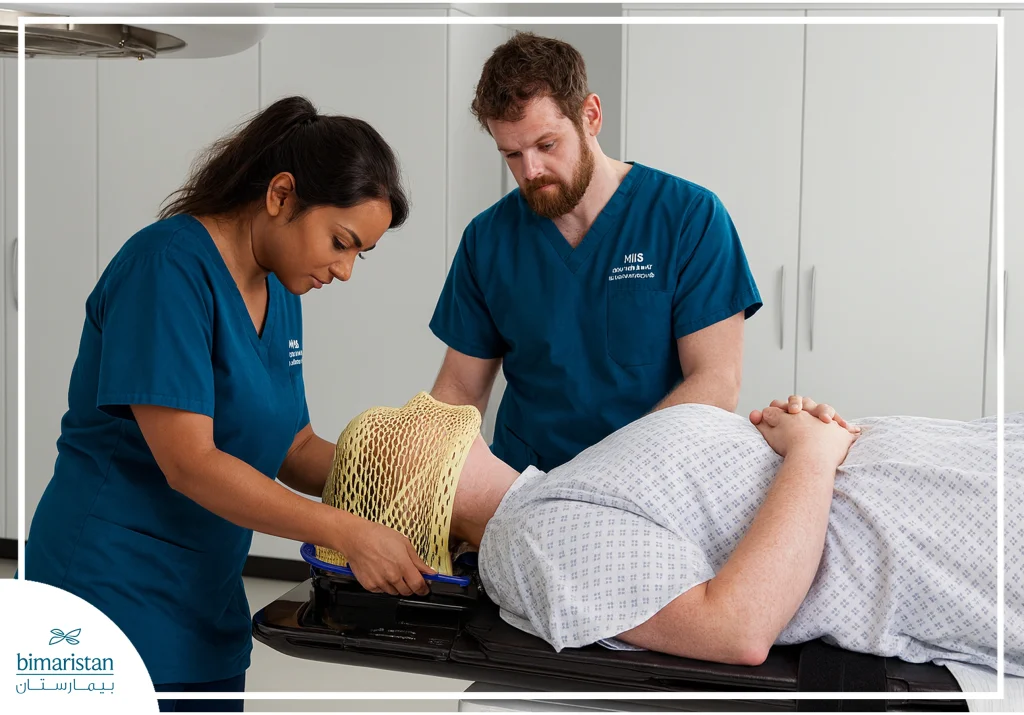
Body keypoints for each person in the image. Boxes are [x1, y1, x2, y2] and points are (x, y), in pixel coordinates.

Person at [23, 96, 438, 712]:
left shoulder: (282, 284)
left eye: (359, 254)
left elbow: (292, 447)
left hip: (203, 600)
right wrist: (346, 531)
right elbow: (190, 462)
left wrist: (416, 488)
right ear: (281, 196)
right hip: (107, 596)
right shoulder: (165, 268)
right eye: (341, 241)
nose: (346, 270)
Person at [318, 391, 1023, 677]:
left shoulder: (556, 487)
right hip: (953, 534)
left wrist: (802, 429)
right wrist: (809, 453)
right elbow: (736, 627)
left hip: (964, 470)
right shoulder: (529, 541)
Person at [428, 32, 764, 474]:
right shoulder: (487, 239)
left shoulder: (688, 217)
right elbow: (459, 394)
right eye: (511, 154)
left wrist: (602, 475)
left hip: (650, 481)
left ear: (590, 115)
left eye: (546, 145)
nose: (530, 171)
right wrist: (420, 488)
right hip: (525, 489)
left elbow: (716, 382)